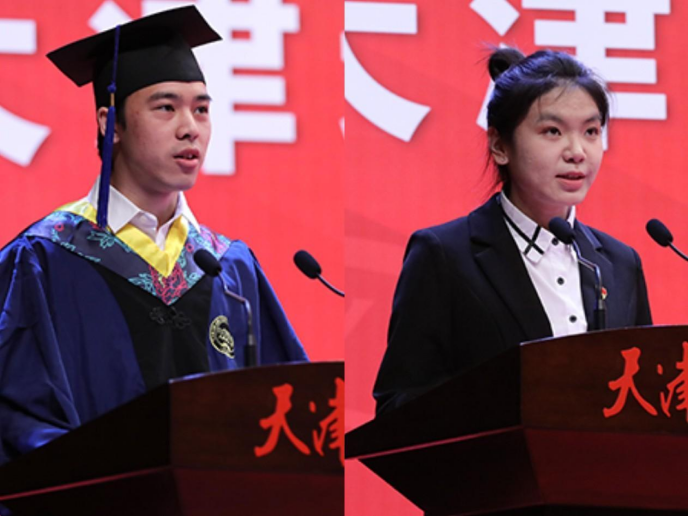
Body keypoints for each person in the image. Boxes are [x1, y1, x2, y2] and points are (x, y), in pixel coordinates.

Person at [0, 6, 307, 467]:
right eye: (166, 107)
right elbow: (17, 417)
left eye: (201, 109)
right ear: (110, 123)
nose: (190, 128)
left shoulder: (228, 267)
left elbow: (289, 409)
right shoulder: (44, 259)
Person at [373, 48, 652, 415]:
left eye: (591, 131)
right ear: (500, 145)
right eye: (552, 131)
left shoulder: (619, 263)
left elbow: (645, 399)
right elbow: (398, 406)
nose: (577, 151)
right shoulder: (444, 255)